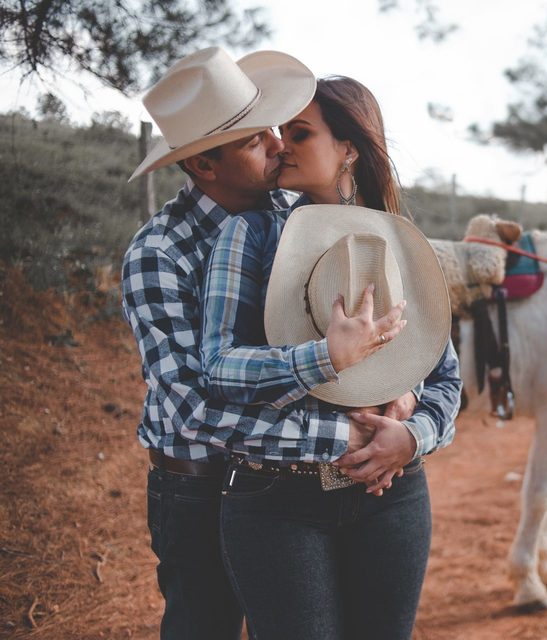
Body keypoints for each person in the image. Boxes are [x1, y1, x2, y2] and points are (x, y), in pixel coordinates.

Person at [121, 49, 408, 639]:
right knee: (205, 626)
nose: (280, 146)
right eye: (257, 141)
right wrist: (346, 439)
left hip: (282, 484)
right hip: (198, 485)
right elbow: (192, 410)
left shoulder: (289, 217)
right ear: (203, 162)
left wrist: (401, 401)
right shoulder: (159, 254)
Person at [199, 76, 461, 640]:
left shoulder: (400, 244)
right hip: (277, 496)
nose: (281, 145)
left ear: (349, 148)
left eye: (300, 133)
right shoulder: (250, 235)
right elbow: (218, 369)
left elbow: (445, 375)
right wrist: (324, 357)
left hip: (392, 492)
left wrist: (413, 436)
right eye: (282, 132)